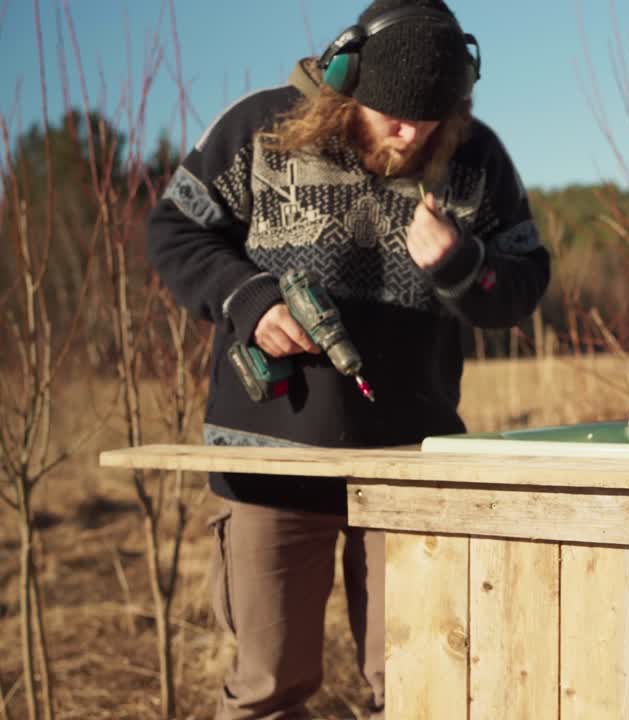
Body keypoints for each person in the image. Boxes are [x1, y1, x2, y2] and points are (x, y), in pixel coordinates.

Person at [146, 0, 551, 716]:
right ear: (347, 79)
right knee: (268, 689)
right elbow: (176, 229)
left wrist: (463, 265)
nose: (412, 132)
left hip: (412, 467)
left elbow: (523, 281)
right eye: (395, 113)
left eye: (431, 116)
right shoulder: (259, 133)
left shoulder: (474, 155)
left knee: (420, 683)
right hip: (270, 462)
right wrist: (247, 299)